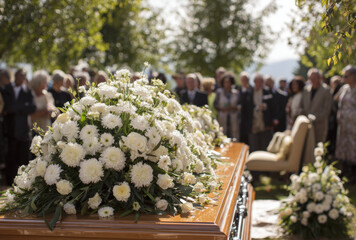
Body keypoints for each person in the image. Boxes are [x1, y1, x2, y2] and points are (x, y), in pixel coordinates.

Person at [2, 69, 36, 185]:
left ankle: (22, 182)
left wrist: (14, 108)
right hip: (9, 130)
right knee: (10, 157)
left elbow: (32, 108)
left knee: (22, 158)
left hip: (23, 131)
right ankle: (9, 182)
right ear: (15, 76)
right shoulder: (6, 90)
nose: (22, 78)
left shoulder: (27, 91)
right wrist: (22, 107)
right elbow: (6, 107)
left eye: (24, 76)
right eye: (20, 75)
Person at [240, 73, 275, 152]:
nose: (260, 83)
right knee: (254, 146)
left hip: (265, 123)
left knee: (265, 146)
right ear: (254, 81)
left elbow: (273, 106)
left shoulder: (267, 91)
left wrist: (266, 108)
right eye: (258, 81)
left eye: (261, 81)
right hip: (253, 124)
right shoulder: (249, 92)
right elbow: (245, 108)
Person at [335, 65, 356, 182]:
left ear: (353, 76)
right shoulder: (344, 88)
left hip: (354, 125)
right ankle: (345, 171)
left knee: (353, 147)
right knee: (343, 148)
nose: (344, 78)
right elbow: (336, 99)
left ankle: (353, 173)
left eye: (346, 76)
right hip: (343, 124)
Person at [300, 68, 332, 144]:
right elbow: (302, 105)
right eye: (311, 78)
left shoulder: (326, 90)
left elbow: (326, 109)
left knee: (318, 146)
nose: (312, 80)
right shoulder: (305, 90)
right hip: (306, 124)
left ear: (319, 78)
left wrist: (315, 118)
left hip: (319, 125)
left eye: (314, 78)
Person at [214, 73, 239, 140]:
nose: (227, 84)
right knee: (222, 134)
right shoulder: (219, 92)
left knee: (234, 135)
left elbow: (239, 105)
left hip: (233, 118)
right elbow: (215, 104)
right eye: (225, 82)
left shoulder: (236, 93)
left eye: (229, 82)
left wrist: (233, 107)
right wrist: (221, 108)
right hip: (222, 117)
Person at [238, 72, 253, 144]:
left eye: (245, 80)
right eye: (242, 80)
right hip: (239, 118)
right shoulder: (238, 89)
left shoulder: (252, 90)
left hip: (249, 118)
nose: (244, 81)